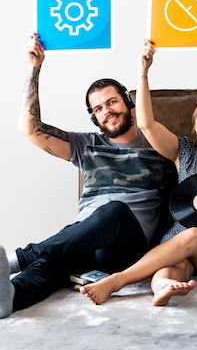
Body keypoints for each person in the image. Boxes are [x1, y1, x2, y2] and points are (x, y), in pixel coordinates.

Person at [0, 32, 175, 319]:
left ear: (128, 102)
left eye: (112, 102)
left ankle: (14, 260)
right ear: (94, 117)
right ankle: (11, 297)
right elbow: (29, 129)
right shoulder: (87, 144)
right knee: (49, 261)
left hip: (126, 246)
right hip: (84, 238)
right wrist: (34, 68)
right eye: (98, 109)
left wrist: (144, 69)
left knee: (114, 211)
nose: (107, 111)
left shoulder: (156, 143)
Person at [79, 40, 197, 306]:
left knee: (194, 236)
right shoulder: (183, 150)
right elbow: (145, 124)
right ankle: (164, 287)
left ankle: (116, 281)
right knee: (175, 264)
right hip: (179, 232)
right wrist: (143, 71)